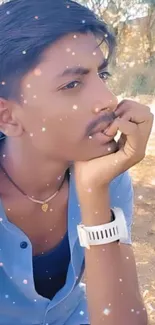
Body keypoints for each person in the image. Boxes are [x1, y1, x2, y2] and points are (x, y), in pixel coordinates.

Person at [0, 0, 153, 324]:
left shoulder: (107, 176)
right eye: (71, 84)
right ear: (7, 116)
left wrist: (94, 193)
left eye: (103, 73)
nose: (108, 100)